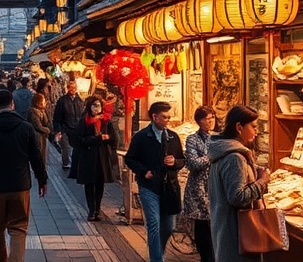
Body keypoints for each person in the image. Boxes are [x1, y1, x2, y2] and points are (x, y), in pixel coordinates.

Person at [0, 88, 48, 262]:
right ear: (12, 104)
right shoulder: (26, 128)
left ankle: (0, 259)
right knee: (19, 228)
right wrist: (42, 180)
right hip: (20, 185)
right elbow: (35, 157)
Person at [208, 105, 272, 262]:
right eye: (254, 127)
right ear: (238, 127)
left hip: (227, 233)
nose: (256, 132)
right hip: (237, 236)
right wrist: (262, 181)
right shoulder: (234, 158)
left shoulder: (226, 152)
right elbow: (237, 197)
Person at [124, 101, 185, 262]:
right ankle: (156, 259)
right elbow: (130, 159)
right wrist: (144, 172)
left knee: (169, 226)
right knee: (153, 224)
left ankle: (159, 251)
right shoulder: (142, 137)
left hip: (169, 187)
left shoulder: (172, 137)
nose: (167, 120)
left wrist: (175, 162)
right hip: (149, 187)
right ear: (155, 117)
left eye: (169, 117)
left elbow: (182, 160)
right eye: (164, 117)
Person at [70, 95, 117, 221]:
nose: (97, 108)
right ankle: (91, 210)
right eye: (94, 105)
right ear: (89, 107)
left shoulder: (106, 121)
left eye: (99, 106)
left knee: (100, 183)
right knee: (89, 184)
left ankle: (97, 209)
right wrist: (95, 139)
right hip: (88, 156)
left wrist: (108, 139)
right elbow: (77, 139)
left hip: (102, 156)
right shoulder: (84, 121)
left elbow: (114, 138)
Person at [182, 106, 216, 262]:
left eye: (212, 118)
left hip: (214, 186)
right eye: (207, 119)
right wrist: (211, 157)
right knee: (202, 226)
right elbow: (193, 163)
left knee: (214, 226)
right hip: (198, 188)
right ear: (199, 121)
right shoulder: (192, 139)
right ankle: (205, 257)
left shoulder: (218, 138)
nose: (211, 121)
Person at [53, 80, 85, 170]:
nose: (73, 89)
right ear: (67, 88)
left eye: (74, 88)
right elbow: (57, 116)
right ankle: (66, 163)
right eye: (71, 88)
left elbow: (82, 116)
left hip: (77, 128)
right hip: (65, 128)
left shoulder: (80, 101)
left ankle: (76, 163)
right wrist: (58, 130)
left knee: (76, 148)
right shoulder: (62, 101)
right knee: (66, 148)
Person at [27, 93, 51, 168]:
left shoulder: (42, 110)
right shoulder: (33, 111)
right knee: (39, 154)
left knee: (43, 155)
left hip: (42, 136)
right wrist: (47, 130)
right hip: (37, 136)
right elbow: (38, 126)